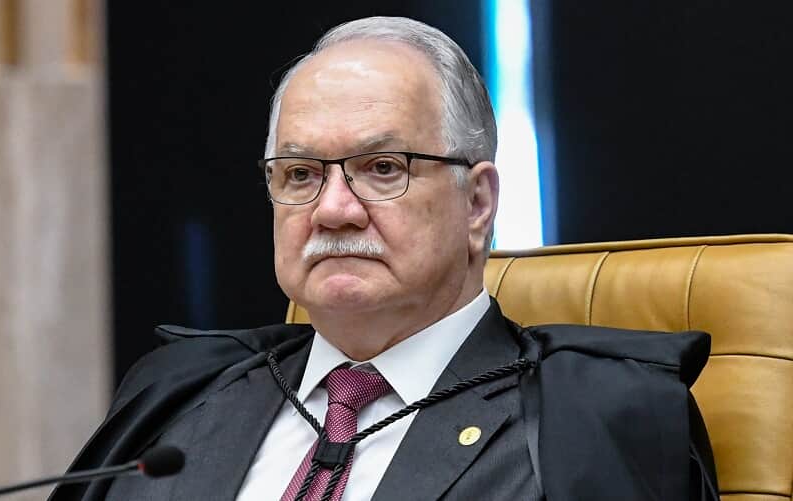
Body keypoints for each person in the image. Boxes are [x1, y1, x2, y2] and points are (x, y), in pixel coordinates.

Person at [52, 16, 718, 501]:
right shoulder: (179, 394)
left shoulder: (598, 415)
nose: (333, 209)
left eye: (382, 168)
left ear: (477, 202)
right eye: (300, 174)